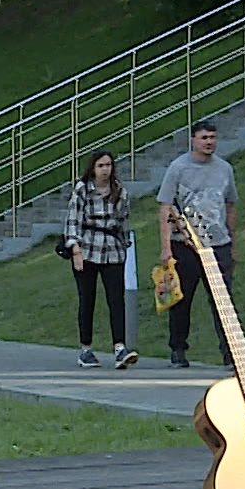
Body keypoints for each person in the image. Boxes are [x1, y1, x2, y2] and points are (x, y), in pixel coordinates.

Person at [157, 119, 238, 368]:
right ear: (193, 139)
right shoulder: (178, 168)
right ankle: (178, 349)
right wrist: (166, 248)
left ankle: (231, 353)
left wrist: (232, 242)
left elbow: (231, 204)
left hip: (218, 243)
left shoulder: (224, 169)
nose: (209, 142)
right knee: (182, 300)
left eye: (212, 138)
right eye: (204, 138)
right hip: (186, 244)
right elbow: (165, 209)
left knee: (223, 302)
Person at [64, 149, 139, 370]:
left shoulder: (120, 191)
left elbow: (124, 220)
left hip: (113, 249)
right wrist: (75, 249)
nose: (105, 170)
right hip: (87, 247)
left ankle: (119, 347)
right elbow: (72, 220)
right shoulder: (82, 190)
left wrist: (125, 244)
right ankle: (86, 349)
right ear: (93, 168)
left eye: (108, 165)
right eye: (101, 166)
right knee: (87, 299)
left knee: (116, 299)